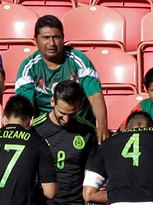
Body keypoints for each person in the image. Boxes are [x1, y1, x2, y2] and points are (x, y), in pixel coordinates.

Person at [15, 15, 109, 143]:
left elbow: (95, 95)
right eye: (46, 38)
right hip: (46, 131)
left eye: (56, 37)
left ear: (63, 38)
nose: (52, 43)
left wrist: (102, 126)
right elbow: (26, 107)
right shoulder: (28, 67)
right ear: (36, 40)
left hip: (81, 128)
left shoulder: (79, 60)